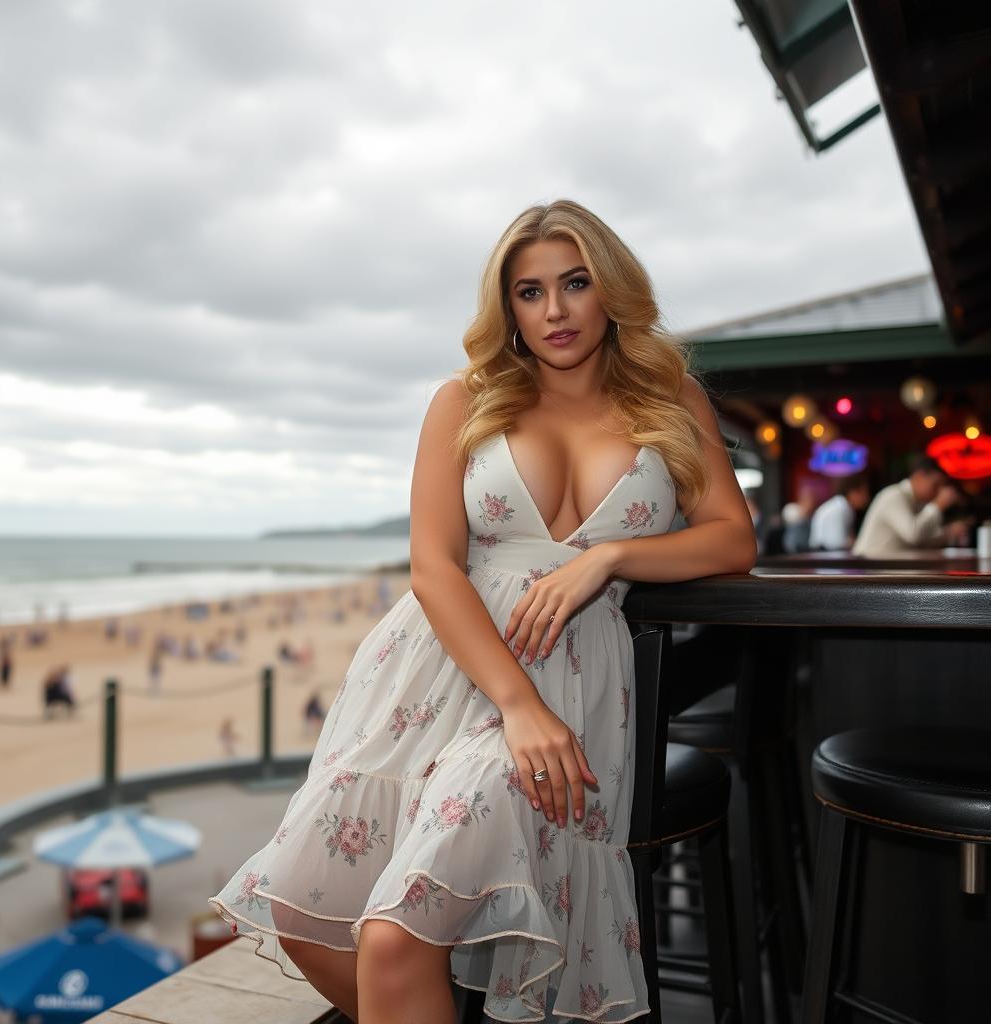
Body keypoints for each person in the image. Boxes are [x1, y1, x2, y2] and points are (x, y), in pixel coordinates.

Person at [207, 199, 757, 1023]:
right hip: (440, 674)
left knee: (394, 938)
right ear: (508, 308)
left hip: (575, 681)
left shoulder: (670, 394)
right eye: (529, 292)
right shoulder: (465, 399)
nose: (556, 310)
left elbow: (730, 539)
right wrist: (516, 704)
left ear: (610, 287)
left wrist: (609, 558)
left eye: (574, 283)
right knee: (304, 910)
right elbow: (433, 564)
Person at [852, 454, 969, 557]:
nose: (938, 491)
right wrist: (938, 505)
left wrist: (948, 533)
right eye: (936, 484)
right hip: (868, 570)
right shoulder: (893, 495)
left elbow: (923, 542)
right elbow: (913, 535)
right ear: (919, 477)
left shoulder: (919, 503)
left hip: (888, 569)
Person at [809, 473, 871, 551]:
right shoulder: (840, 509)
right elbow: (837, 543)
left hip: (826, 555)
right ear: (853, 492)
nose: (867, 497)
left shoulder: (842, 506)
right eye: (864, 492)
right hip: (825, 556)